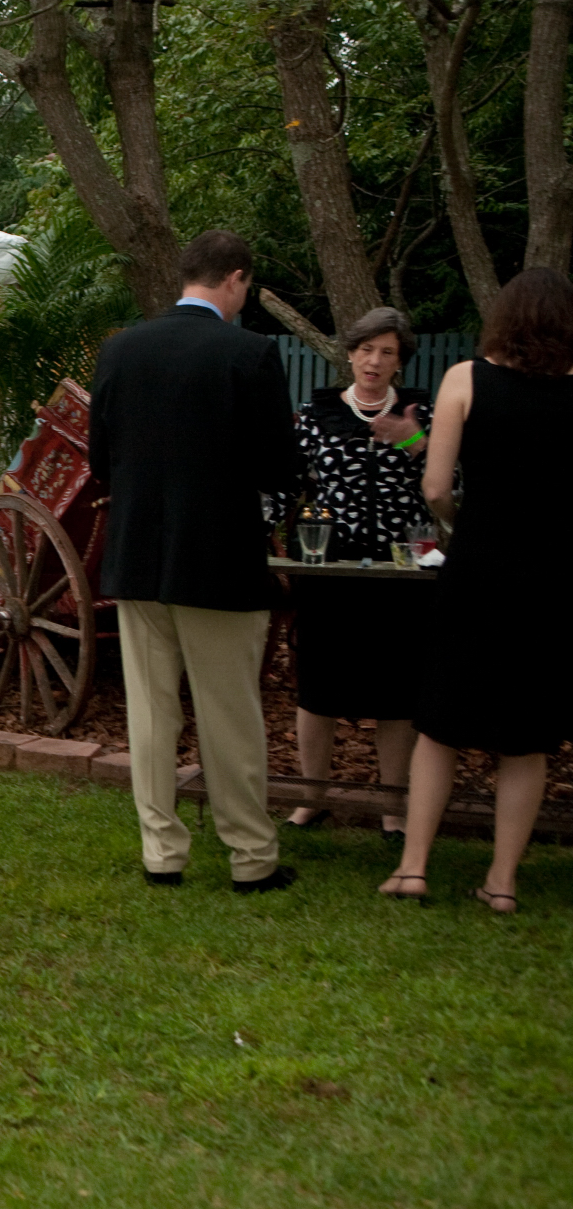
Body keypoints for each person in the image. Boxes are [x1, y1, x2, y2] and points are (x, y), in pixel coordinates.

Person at [88, 230, 301, 894]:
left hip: (139, 557)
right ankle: (251, 857)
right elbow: (280, 467)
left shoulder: (120, 351)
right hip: (219, 561)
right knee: (228, 713)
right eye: (245, 288)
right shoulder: (249, 353)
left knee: (152, 714)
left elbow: (101, 461)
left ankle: (162, 854)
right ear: (235, 279)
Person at [380, 268, 573, 913]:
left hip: (478, 569)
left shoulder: (466, 378)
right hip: (550, 579)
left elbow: (436, 487)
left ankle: (413, 868)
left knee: (440, 725)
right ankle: (502, 882)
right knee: (527, 737)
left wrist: (463, 523)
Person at [280, 308, 432, 836]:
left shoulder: (422, 412)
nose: (374, 361)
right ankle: (311, 799)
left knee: (396, 694)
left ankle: (393, 808)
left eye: (387, 352)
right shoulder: (318, 411)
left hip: (400, 571)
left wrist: (412, 440)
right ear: (349, 354)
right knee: (317, 686)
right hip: (330, 568)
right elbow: (288, 481)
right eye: (366, 349)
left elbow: (449, 481)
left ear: (399, 361)